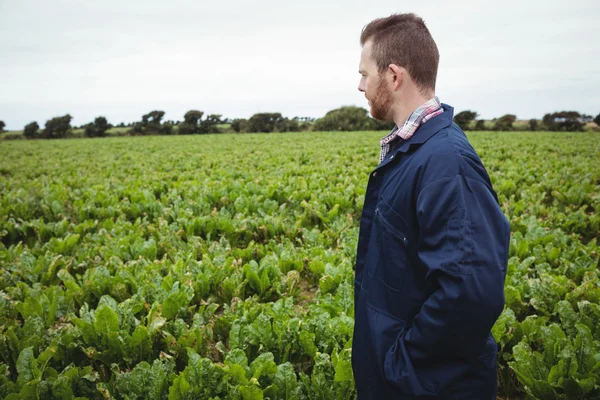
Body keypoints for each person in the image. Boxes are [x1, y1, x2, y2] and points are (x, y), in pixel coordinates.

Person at [352, 13, 510, 399]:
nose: (359, 86)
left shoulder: (446, 162)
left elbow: (470, 292)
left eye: (364, 73)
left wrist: (401, 365)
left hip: (428, 386)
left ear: (393, 76)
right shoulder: (413, 150)